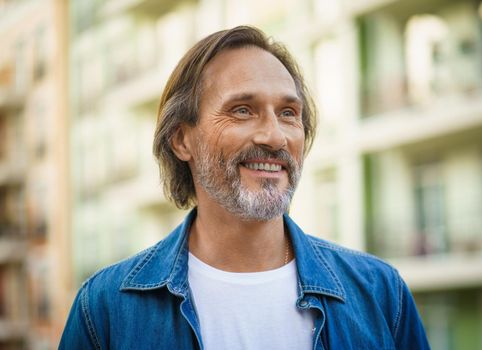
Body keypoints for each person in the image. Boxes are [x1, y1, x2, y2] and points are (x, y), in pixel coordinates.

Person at [59, 25, 430, 349]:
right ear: (181, 140)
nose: (274, 137)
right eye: (242, 110)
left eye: (288, 113)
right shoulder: (105, 309)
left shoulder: (381, 295)